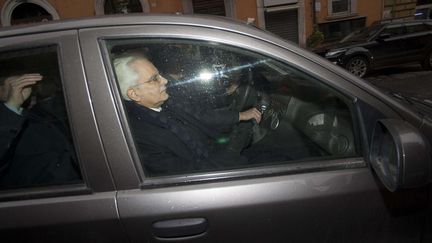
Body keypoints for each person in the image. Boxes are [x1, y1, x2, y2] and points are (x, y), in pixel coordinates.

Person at [114, 54, 262, 175]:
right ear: (134, 94)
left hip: (216, 155)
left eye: (159, 75)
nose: (164, 81)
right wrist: (233, 155)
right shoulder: (137, 136)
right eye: (154, 79)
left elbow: (200, 114)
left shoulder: (165, 103)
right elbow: (186, 173)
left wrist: (239, 116)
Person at [0, 74, 81, 187]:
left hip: (71, 182)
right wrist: (12, 106)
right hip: (39, 193)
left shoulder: (37, 113)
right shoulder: (8, 120)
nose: (20, 88)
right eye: (14, 85)